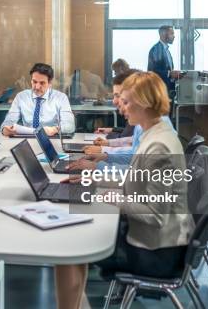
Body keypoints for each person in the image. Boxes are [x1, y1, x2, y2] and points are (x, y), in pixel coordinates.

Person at [55, 72, 193, 309]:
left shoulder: (158, 145)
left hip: (158, 254)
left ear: (145, 103)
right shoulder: (156, 133)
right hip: (160, 242)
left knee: (68, 247)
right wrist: (93, 177)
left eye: (127, 102)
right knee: (73, 243)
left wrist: (100, 195)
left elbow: (154, 214)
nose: (121, 108)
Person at [1, 63, 75, 136]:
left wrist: (55, 129)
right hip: (27, 139)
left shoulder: (61, 98)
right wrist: (5, 129)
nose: (37, 87)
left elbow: (70, 125)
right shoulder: (21, 97)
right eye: (34, 82)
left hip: (51, 139)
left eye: (42, 83)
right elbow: (8, 122)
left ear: (50, 83)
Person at [148, 25, 180, 102]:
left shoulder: (166, 50)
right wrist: (170, 73)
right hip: (159, 91)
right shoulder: (157, 49)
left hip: (166, 90)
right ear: (163, 35)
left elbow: (165, 69)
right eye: (172, 34)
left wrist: (173, 74)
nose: (174, 36)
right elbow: (153, 71)